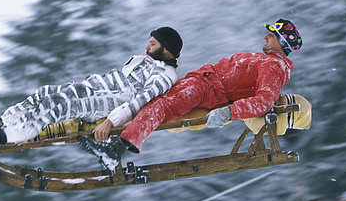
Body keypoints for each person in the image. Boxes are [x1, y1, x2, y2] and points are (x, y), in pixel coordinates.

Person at [79, 19, 302, 163]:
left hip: (207, 88)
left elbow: (264, 100)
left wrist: (229, 112)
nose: (265, 36)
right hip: (202, 82)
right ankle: (106, 130)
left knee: (160, 105)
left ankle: (117, 148)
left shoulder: (275, 66)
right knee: (151, 97)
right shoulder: (268, 61)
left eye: (271, 35)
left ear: (281, 43)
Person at [0, 27, 183, 170]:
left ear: (167, 49)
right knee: (44, 95)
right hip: (93, 86)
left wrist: (110, 122)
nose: (147, 46)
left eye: (153, 43)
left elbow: (139, 103)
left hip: (110, 101)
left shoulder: (166, 76)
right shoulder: (140, 59)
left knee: (59, 109)